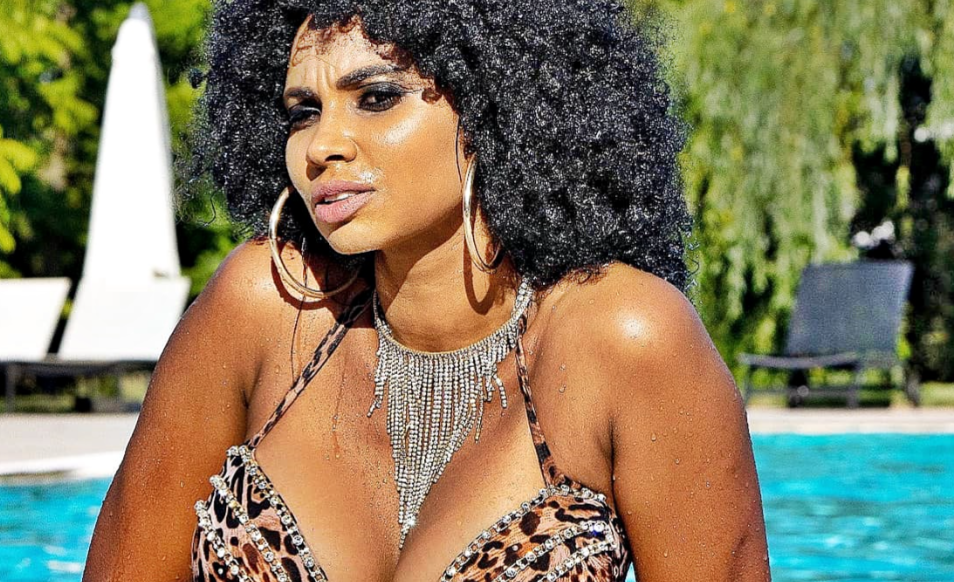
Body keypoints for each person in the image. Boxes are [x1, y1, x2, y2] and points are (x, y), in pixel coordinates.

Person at [84, 1, 770, 580]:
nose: (321, 145)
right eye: (303, 112)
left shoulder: (625, 337)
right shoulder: (266, 306)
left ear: (495, 100)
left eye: (376, 98)